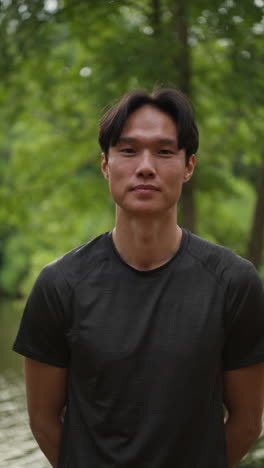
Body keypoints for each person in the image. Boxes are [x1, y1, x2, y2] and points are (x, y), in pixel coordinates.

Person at [13, 88, 264, 468]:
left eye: (164, 152)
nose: (145, 166)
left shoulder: (234, 283)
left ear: (189, 166)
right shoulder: (59, 286)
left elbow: (246, 422)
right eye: (128, 151)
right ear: (105, 165)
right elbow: (44, 421)